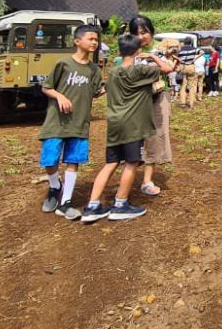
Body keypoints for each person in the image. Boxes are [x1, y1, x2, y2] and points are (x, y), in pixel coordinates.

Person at [81, 34, 165, 223]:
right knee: (131, 163)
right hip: (133, 126)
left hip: (114, 123)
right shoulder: (141, 70)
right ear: (138, 51)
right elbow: (167, 69)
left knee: (111, 163)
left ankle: (92, 205)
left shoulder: (113, 72)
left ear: (119, 51)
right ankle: (120, 204)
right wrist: (152, 57)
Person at [37, 25, 104, 221]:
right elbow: (46, 87)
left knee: (74, 160)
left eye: (96, 40)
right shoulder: (63, 64)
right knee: (50, 159)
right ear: (77, 41)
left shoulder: (94, 69)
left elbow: (96, 92)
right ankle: (54, 186)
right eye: (90, 39)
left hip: (79, 122)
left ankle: (65, 202)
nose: (94, 42)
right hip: (56, 122)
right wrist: (59, 96)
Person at [125, 15, 178, 198]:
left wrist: (151, 56)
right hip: (136, 99)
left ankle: (147, 181)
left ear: (151, 32)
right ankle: (130, 172)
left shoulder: (160, 49)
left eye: (144, 32)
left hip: (157, 97)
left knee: (155, 135)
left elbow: (169, 69)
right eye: (137, 33)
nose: (141, 37)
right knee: (135, 136)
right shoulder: (130, 51)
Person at [177, 40, 198, 108]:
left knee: (183, 85)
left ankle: (183, 103)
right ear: (190, 43)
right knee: (191, 86)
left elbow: (174, 55)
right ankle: (191, 104)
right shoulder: (194, 48)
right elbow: (202, 52)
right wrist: (194, 59)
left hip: (183, 66)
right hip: (191, 66)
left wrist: (180, 60)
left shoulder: (180, 49)